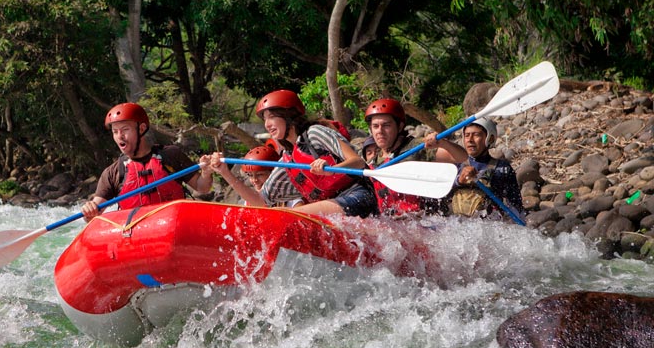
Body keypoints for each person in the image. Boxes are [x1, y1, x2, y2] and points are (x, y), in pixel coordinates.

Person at [209, 89, 377, 217]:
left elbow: (357, 161)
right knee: (276, 216)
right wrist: (225, 172)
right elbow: (260, 201)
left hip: (358, 197)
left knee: (289, 216)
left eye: (272, 117)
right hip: (332, 206)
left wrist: (331, 168)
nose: (267, 124)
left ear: (289, 116)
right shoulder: (287, 161)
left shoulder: (315, 133)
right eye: (265, 120)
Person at [81, 102, 214, 221]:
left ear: (142, 129)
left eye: (125, 130)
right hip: (136, 237)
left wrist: (206, 173)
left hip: (173, 225)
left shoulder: (171, 155)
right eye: (115, 132)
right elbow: (94, 214)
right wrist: (90, 210)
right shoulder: (113, 172)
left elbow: (202, 187)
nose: (119, 136)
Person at [361, 97, 467, 216]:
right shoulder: (373, 162)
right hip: (392, 223)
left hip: (424, 220)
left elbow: (461, 157)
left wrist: (444, 143)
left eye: (386, 125)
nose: (380, 131)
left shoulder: (416, 148)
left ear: (400, 127)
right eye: (375, 126)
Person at [449, 117, 525, 221]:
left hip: (489, 226)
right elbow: (441, 193)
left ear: (490, 139)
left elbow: (516, 206)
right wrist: (459, 181)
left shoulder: (502, 168)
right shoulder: (456, 167)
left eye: (476, 135)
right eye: (467, 135)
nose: (470, 140)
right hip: (456, 225)